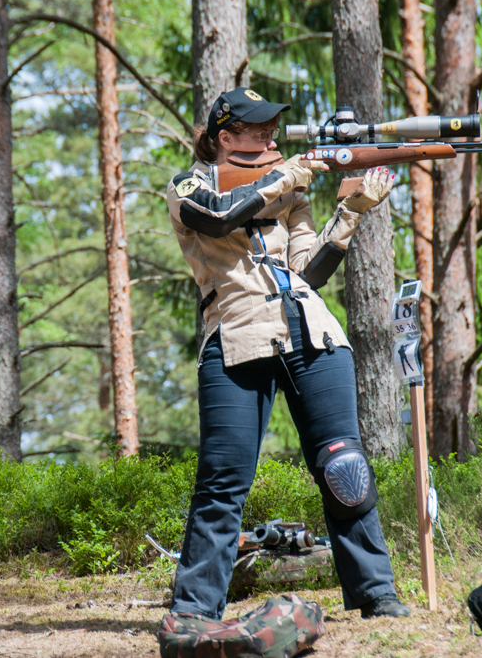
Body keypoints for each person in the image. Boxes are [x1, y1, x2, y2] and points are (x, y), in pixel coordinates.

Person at [163, 87, 410, 623]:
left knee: (344, 467)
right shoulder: (189, 184)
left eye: (272, 128)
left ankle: (375, 593)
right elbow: (217, 217)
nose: (270, 136)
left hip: (312, 331)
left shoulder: (289, 192)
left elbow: (309, 272)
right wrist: (284, 177)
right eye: (257, 130)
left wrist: (350, 213)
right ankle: (194, 610)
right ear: (225, 137)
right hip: (236, 336)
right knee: (223, 480)